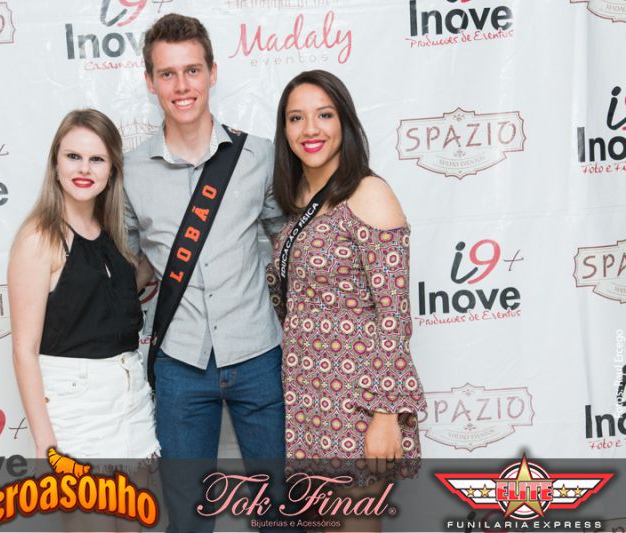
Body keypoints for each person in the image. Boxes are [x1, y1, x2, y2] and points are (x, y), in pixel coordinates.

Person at [123, 12, 290, 531]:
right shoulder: (129, 172)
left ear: (212, 72)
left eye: (192, 70)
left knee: (281, 512)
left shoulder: (259, 156)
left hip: (258, 355)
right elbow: (123, 263)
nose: (182, 86)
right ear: (150, 81)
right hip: (179, 364)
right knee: (189, 520)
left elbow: (289, 243)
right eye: (168, 74)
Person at [268, 70, 426, 467]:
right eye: (296, 118)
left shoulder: (369, 192)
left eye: (324, 115)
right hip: (308, 394)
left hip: (359, 398)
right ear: (285, 130)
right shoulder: (299, 201)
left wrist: (386, 414)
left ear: (345, 123)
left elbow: (394, 315)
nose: (310, 129)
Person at [8, 109, 159, 463]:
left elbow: (105, 297)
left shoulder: (110, 233)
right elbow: (24, 350)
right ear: (55, 164)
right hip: (75, 411)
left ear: (112, 170)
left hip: (132, 400)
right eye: (73, 156)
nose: (84, 169)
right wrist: (45, 444)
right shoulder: (39, 238)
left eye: (97, 159)